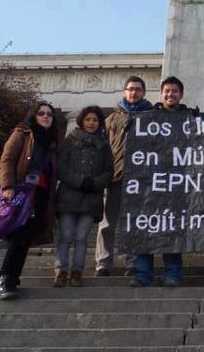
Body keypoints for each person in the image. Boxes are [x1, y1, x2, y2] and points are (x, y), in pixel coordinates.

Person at [0, 102, 61, 300]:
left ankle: (12, 279)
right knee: (19, 237)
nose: (46, 117)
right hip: (21, 192)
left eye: (49, 114)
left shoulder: (54, 141)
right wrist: (7, 186)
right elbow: (6, 160)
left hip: (40, 195)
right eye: (41, 113)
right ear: (34, 116)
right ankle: (6, 278)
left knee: (25, 238)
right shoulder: (22, 133)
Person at [132, 76, 187, 287]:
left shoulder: (188, 117)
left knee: (173, 229)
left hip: (177, 185)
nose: (170, 94)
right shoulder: (147, 118)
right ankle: (142, 275)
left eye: (174, 91)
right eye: (167, 91)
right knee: (146, 228)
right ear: (161, 93)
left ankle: (172, 273)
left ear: (180, 95)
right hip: (150, 184)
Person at [95, 76, 152, 277]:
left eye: (138, 89)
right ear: (124, 91)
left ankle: (133, 262)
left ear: (144, 92)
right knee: (107, 223)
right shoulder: (111, 119)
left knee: (137, 223)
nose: (134, 92)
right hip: (116, 178)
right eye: (130, 89)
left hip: (141, 180)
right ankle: (103, 261)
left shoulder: (152, 117)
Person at [54, 105, 113, 287]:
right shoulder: (70, 141)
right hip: (68, 197)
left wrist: (95, 183)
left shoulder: (104, 145)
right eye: (88, 119)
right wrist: (79, 181)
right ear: (81, 121)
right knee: (66, 236)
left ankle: (77, 271)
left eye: (95, 120)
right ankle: (61, 270)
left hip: (90, 199)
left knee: (81, 238)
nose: (91, 123)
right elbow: (61, 168)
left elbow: (109, 171)